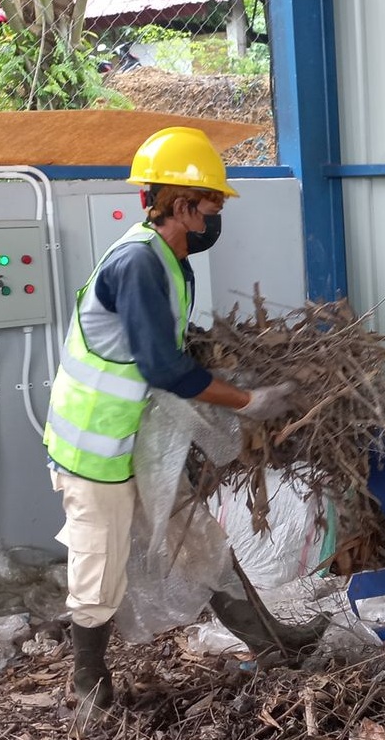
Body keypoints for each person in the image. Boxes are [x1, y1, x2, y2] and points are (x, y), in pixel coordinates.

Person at [44, 126, 296, 709]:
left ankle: (273, 645)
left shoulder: (169, 261)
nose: (216, 217)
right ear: (181, 206)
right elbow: (162, 367)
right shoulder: (137, 262)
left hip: (140, 444)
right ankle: (88, 685)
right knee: (99, 570)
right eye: (212, 205)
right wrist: (247, 401)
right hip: (96, 450)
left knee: (200, 544)